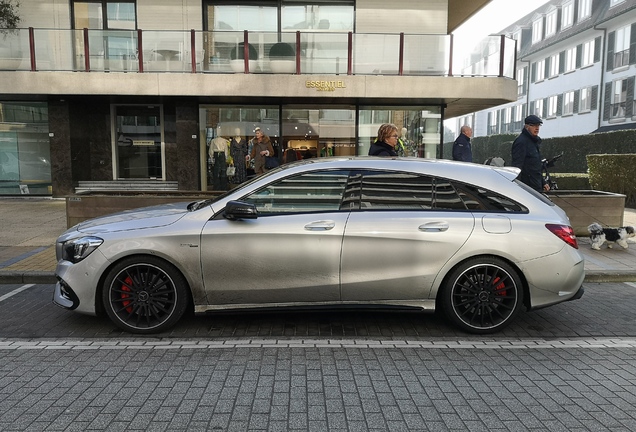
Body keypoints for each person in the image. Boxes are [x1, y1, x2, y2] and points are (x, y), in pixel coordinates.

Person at [511, 115, 550, 192]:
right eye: (534, 125)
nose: (537, 128)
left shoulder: (534, 142)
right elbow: (517, 166)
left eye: (538, 125)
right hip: (527, 188)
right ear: (527, 126)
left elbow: (535, 167)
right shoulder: (521, 142)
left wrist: (543, 182)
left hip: (535, 186)